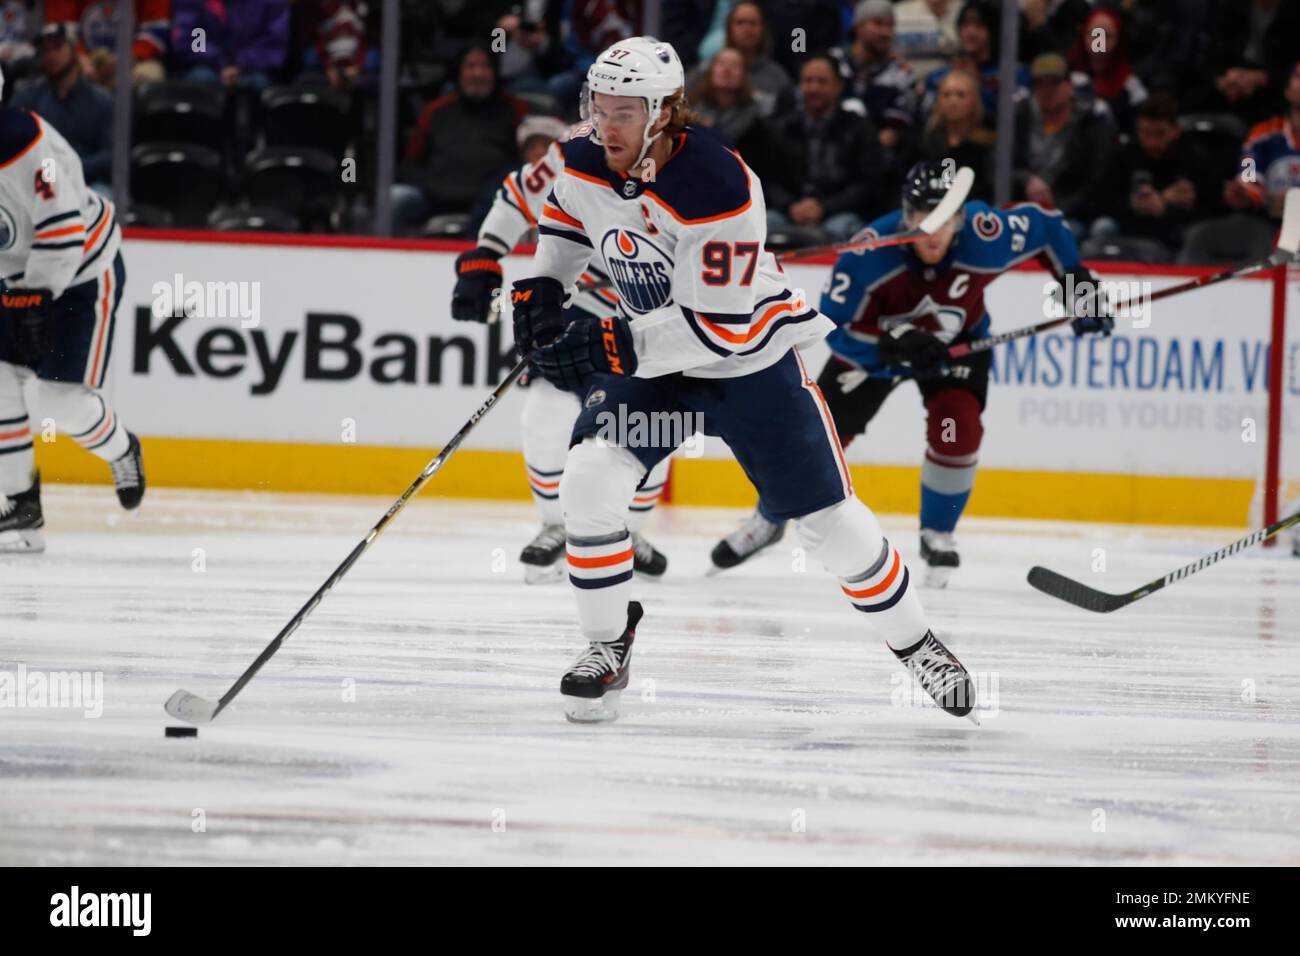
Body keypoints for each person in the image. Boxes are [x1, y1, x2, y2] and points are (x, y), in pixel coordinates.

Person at [509, 37, 978, 724]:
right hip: (658, 375)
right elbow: (564, 234)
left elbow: (718, 329)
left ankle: (918, 644)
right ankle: (608, 645)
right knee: (588, 480)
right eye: (597, 107)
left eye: (623, 111)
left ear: (665, 112)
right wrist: (539, 300)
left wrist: (606, 341)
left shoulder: (719, 183)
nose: (604, 125)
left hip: (747, 368)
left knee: (833, 529)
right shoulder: (585, 159)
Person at [708, 162, 1111, 586]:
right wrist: (890, 343)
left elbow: (1047, 225)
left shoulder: (987, 234)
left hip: (954, 349)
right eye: (922, 216)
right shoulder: (867, 255)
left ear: (962, 217)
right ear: (905, 213)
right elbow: (834, 327)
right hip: (872, 355)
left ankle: (938, 533)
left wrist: (1078, 292)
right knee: (813, 440)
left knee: (958, 427)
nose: (932, 232)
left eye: (945, 218)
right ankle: (769, 518)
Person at [449, 123, 671, 584]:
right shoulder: (577, 146)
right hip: (577, 308)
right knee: (544, 411)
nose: (610, 116)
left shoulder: (689, 156)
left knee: (652, 418)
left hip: (651, 319)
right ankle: (555, 523)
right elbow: (517, 196)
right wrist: (487, 253)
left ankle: (628, 530)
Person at [0, 77, 144, 552]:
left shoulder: (26, 145)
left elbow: (63, 231)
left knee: (58, 404)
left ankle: (122, 447)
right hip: (19, 279)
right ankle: (20, 506)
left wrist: (35, 296)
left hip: (82, 273)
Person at [761, 53, 884, 240]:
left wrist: (825, 207)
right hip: (789, 212)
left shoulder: (860, 128)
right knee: (764, 225)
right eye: (808, 81)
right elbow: (768, 181)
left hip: (839, 213)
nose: (813, 88)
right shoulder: (783, 128)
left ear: (839, 86)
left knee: (840, 229)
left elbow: (869, 184)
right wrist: (790, 206)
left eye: (822, 81)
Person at [9, 24, 113, 195]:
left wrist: (70, 167)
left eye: (57, 47)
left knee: (103, 199)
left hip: (87, 183)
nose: (50, 56)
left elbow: (111, 155)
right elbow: (11, 143)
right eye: (45, 50)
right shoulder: (27, 96)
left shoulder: (101, 100)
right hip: (38, 183)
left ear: (74, 50)